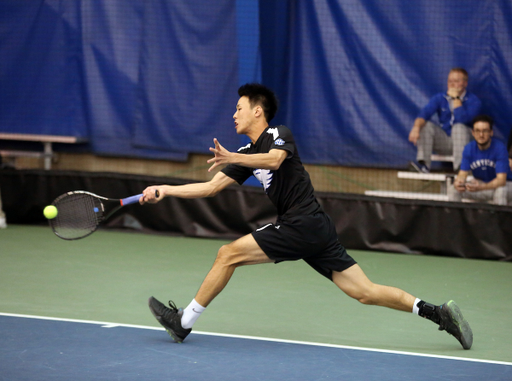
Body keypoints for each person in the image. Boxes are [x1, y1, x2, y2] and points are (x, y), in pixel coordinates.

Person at [141, 83, 473, 349]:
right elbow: (211, 187)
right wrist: (166, 189)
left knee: (227, 254)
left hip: (302, 223)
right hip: (315, 230)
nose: (233, 115)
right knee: (365, 292)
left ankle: (184, 323)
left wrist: (234, 158)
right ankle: (438, 313)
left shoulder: (278, 134)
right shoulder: (243, 154)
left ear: (258, 111)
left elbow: (273, 161)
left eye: (239, 108)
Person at [409, 68, 482, 173]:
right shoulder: (440, 98)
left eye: (456, 81)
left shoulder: (474, 101)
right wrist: (416, 127)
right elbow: (424, 113)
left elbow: (462, 120)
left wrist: (456, 98)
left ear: (465, 83)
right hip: (446, 141)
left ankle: (461, 169)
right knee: (425, 125)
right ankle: (424, 166)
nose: (452, 84)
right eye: (450, 81)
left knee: (458, 127)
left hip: (467, 142)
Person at [448, 115, 512, 205]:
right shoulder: (468, 148)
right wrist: (459, 182)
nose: (481, 135)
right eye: (477, 131)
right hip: (482, 186)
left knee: (501, 192)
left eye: (485, 131)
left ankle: (498, 219)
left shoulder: (499, 148)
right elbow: (462, 174)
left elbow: (501, 180)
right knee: (453, 189)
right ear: (473, 133)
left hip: (504, 185)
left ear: (491, 132)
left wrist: (481, 187)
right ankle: (458, 219)